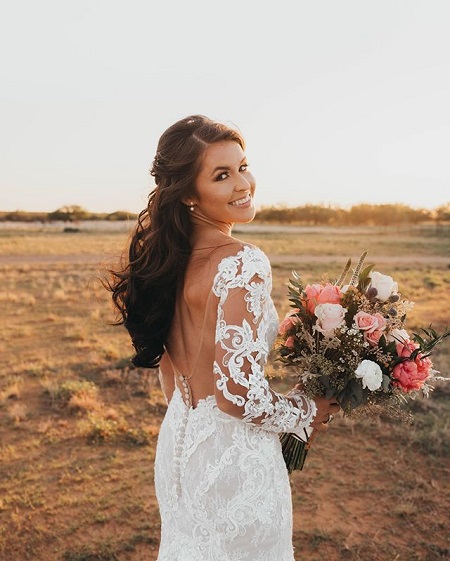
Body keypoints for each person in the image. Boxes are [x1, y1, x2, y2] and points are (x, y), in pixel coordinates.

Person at [107, 115, 340, 560]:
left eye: (242, 166)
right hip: (233, 456)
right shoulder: (242, 261)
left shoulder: (168, 260)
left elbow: (172, 381)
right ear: (189, 194)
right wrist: (306, 411)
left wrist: (200, 422)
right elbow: (237, 395)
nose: (242, 183)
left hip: (179, 442)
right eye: (222, 175)